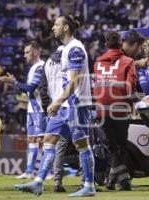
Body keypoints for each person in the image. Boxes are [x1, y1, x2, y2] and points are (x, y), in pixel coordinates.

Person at [14, 15, 95, 197]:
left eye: (56, 24)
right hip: (65, 104)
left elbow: (74, 82)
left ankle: (89, 186)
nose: (53, 28)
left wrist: (56, 101)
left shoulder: (75, 49)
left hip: (77, 105)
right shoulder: (66, 49)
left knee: (82, 145)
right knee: (48, 141)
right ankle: (38, 182)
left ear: (66, 28)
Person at [93, 31, 137, 191]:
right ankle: (122, 180)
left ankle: (115, 180)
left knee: (113, 147)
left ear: (106, 44)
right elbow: (129, 86)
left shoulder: (98, 62)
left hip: (101, 111)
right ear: (121, 44)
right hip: (119, 110)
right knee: (121, 146)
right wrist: (134, 103)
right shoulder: (128, 61)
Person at [0, 41, 46, 180]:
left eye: (27, 52)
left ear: (36, 51)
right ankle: (29, 171)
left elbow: (31, 88)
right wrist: (13, 83)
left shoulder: (40, 67)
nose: (24, 55)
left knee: (42, 141)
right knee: (31, 140)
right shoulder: (32, 68)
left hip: (40, 109)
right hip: (31, 109)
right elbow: (28, 89)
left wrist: (14, 82)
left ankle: (47, 172)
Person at [38, 45, 68, 193]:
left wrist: (46, 108)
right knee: (83, 144)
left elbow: (42, 88)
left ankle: (56, 181)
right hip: (69, 107)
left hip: (54, 109)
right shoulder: (72, 58)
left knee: (53, 147)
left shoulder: (48, 62)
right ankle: (86, 182)